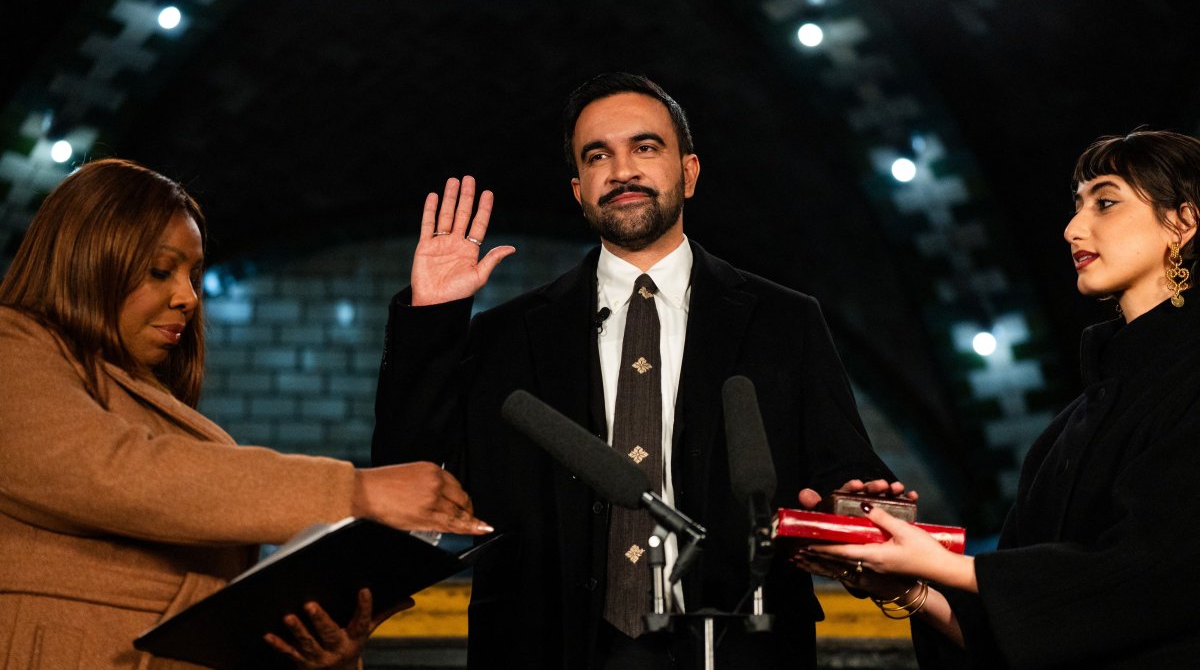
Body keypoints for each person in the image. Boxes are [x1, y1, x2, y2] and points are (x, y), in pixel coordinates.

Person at [372, 71, 907, 668]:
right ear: (578, 190)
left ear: (690, 172)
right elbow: (407, 471)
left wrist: (852, 505)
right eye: (597, 156)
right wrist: (432, 317)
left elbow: (843, 476)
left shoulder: (786, 321)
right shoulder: (504, 336)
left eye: (644, 148)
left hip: (737, 645)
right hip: (544, 647)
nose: (621, 170)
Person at [0, 158, 491, 669]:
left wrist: (317, 653)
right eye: (160, 271)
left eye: (194, 275)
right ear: (87, 260)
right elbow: (103, 470)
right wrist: (358, 492)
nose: (188, 298)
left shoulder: (159, 410)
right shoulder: (11, 346)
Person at [803, 129, 1200, 667]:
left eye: (1105, 202)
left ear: (1183, 222)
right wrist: (904, 580)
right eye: (1077, 206)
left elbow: (1154, 575)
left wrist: (948, 566)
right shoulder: (1069, 428)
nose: (1072, 228)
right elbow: (1022, 639)